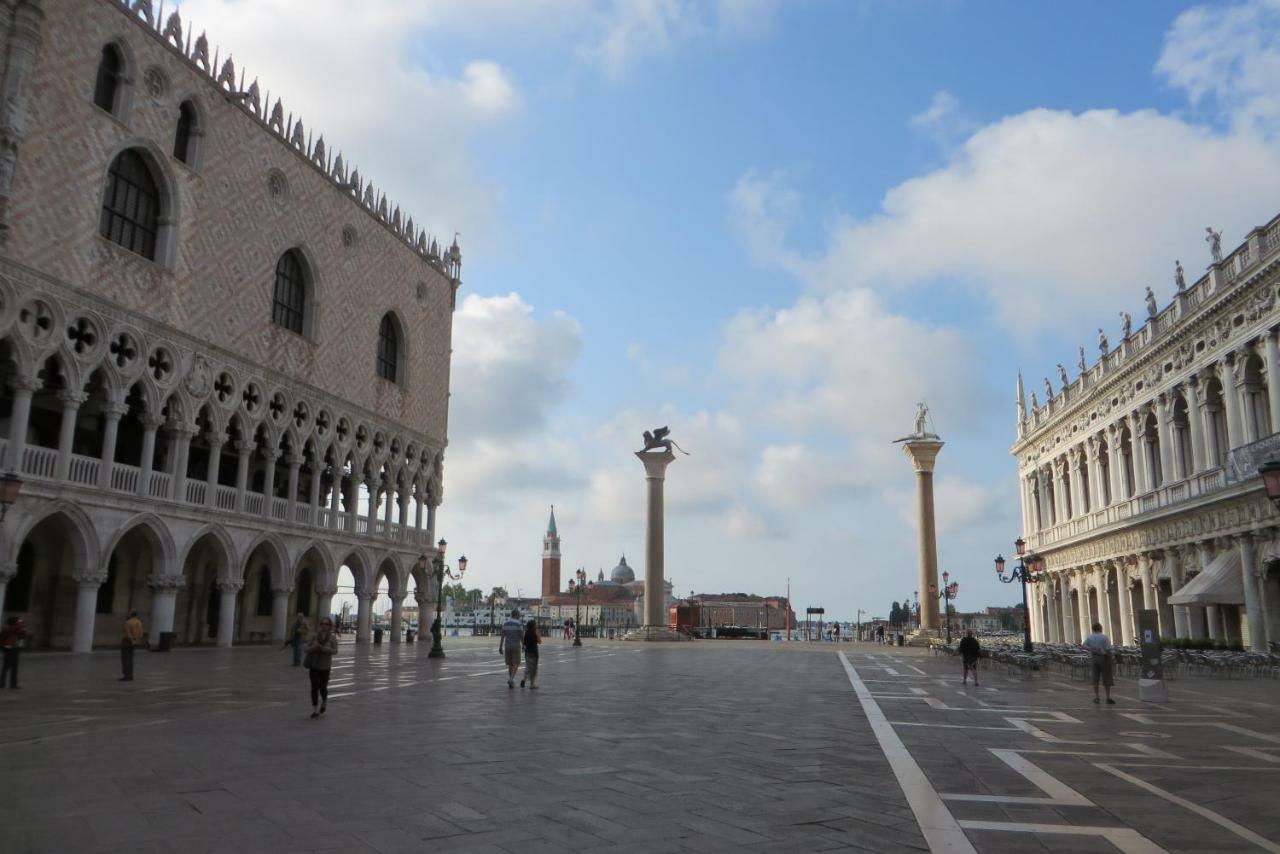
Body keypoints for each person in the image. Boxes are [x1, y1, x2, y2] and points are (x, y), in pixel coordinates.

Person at [306, 617, 338, 718]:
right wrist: (313, 648)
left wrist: (324, 649)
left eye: (326, 624)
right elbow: (306, 648)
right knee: (314, 687)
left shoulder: (333, 638)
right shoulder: (314, 636)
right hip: (314, 665)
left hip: (325, 666)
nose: (324, 625)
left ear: (330, 626)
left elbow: (335, 651)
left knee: (322, 687)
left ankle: (324, 701)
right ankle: (315, 710)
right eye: (322, 624)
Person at [1082, 622, 1116, 705]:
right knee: (1107, 678)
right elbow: (1108, 648)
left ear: (1093, 629)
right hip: (1104, 658)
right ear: (1100, 628)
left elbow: (1083, 645)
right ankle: (1108, 697)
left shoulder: (1090, 637)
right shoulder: (1104, 637)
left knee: (1095, 678)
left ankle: (1097, 697)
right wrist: (1112, 655)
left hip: (1094, 657)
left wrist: (1092, 649)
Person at [498, 609, 524, 689]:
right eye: (519, 615)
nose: (520, 616)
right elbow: (521, 636)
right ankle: (511, 679)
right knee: (516, 663)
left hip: (507, 646)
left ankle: (511, 680)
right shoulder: (519, 624)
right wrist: (524, 645)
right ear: (516, 615)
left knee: (510, 664)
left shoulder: (505, 623)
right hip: (516, 645)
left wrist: (500, 647)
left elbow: (502, 636)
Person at [0, 617, 26, 689]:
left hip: (9, 648)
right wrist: (21, 621)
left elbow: (21, 634)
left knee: (7, 667)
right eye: (17, 621)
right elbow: (20, 625)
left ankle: (4, 683)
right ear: (14, 623)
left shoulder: (6, 628)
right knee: (11, 667)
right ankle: (11, 684)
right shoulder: (12, 628)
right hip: (11, 648)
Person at [121, 611, 143, 681]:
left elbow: (128, 633)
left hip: (127, 641)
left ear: (131, 615)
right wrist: (136, 640)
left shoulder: (128, 622)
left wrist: (131, 639)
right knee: (130, 659)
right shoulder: (139, 622)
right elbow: (141, 633)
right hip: (135, 641)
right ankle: (130, 675)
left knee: (125, 658)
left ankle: (126, 675)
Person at [520, 619, 540, 689]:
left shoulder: (526, 632)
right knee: (534, 668)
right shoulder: (535, 632)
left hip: (527, 652)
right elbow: (539, 641)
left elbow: (524, 642)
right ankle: (532, 684)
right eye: (536, 624)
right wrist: (538, 634)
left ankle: (524, 679)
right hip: (534, 652)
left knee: (528, 667)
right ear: (534, 626)